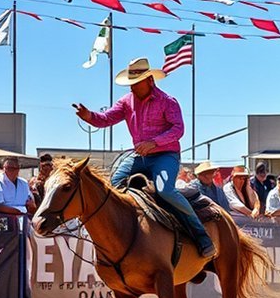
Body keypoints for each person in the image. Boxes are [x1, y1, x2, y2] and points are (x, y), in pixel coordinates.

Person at [74, 57, 215, 258]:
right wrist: (89, 117)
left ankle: (201, 236)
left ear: (149, 80)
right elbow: (106, 119)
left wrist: (154, 142)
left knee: (165, 190)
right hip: (140, 156)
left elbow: (178, 129)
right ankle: (124, 232)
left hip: (166, 155)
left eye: (136, 82)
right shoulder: (126, 102)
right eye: (130, 83)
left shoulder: (167, 101)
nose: (131, 87)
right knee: (113, 185)